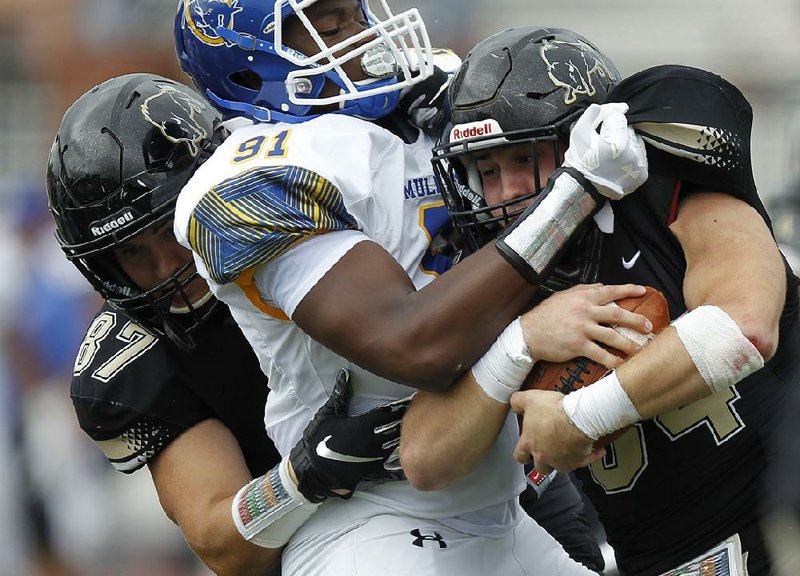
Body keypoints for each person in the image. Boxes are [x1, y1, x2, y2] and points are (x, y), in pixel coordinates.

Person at [171, 1, 650, 574]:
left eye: (356, 12)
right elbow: (416, 346)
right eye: (326, 24)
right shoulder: (248, 180)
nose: (358, 34)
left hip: (507, 509)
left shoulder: (428, 92)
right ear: (245, 64)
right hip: (378, 526)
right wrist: (573, 196)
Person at [426, 26, 800, 576]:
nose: (504, 196)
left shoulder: (670, 194)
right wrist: (518, 341)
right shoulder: (495, 285)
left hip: (780, 515)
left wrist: (579, 418)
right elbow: (426, 458)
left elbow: (740, 330)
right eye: (486, 172)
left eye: (524, 160)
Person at [45, 72, 414, 576]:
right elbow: (222, 545)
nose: (166, 266)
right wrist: (304, 475)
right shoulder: (133, 357)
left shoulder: (305, 206)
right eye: (132, 251)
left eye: (170, 226)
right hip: (309, 544)